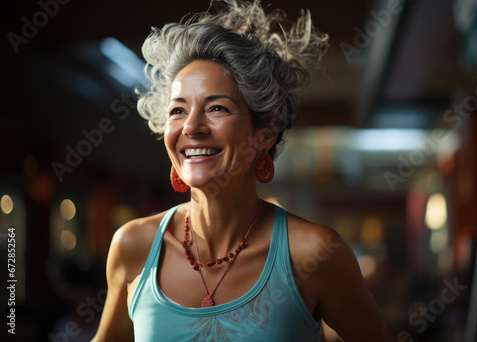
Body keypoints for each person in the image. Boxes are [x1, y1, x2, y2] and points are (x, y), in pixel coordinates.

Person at [92, 1, 392, 341]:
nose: (191, 126)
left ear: (263, 134)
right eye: (178, 110)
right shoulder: (134, 245)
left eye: (217, 107)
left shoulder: (314, 253)